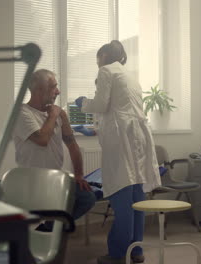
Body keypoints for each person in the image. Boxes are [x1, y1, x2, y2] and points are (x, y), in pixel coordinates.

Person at [75, 40, 161, 264]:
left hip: (122, 141)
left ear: (104, 56)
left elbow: (102, 104)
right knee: (136, 197)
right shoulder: (129, 75)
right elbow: (119, 111)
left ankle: (116, 254)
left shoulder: (106, 70)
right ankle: (136, 251)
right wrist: (95, 129)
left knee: (122, 195)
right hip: (137, 138)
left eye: (97, 59)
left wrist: (82, 103)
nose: (97, 63)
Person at [12, 69, 96, 230]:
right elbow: (42, 140)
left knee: (87, 198)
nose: (58, 91)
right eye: (53, 87)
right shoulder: (22, 113)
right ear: (39, 90)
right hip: (33, 181)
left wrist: (79, 174)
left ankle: (50, 229)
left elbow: (72, 145)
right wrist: (53, 115)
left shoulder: (60, 114)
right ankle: (53, 230)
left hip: (56, 178)